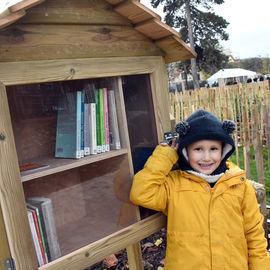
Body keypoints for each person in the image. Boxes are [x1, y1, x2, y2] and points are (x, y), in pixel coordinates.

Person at [130, 109, 270, 269]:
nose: (206, 157)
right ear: (185, 151)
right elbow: (141, 193)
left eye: (213, 149)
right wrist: (166, 155)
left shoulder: (240, 185)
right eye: (198, 149)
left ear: (223, 150)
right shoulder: (174, 185)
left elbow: (255, 236)